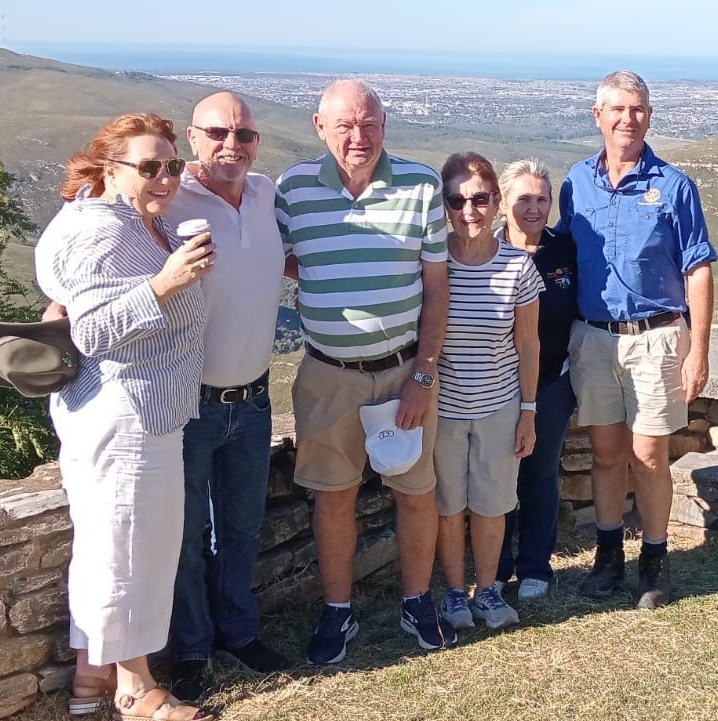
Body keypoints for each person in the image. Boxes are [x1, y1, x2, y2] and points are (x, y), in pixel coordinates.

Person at [35, 113, 214, 720]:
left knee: (106, 546)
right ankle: (136, 691)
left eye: (172, 166)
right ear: (110, 168)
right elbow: (90, 331)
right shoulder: (102, 231)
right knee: (135, 551)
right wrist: (164, 284)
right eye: (149, 167)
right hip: (127, 413)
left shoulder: (118, 218)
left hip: (130, 410)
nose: (165, 177)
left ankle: (90, 681)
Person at [276, 79, 455, 657]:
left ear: (385, 124)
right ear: (319, 126)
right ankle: (337, 613)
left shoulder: (421, 185)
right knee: (333, 496)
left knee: (416, 491)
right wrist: (326, 283)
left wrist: (424, 375)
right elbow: (274, 257)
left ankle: (416, 602)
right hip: (328, 375)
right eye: (346, 124)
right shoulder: (294, 189)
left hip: (405, 370)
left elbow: (436, 288)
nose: (359, 136)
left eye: (370, 123)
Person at [559, 70, 717, 610]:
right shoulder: (575, 183)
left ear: (649, 115)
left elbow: (699, 269)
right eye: (619, 110)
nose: (629, 119)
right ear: (598, 115)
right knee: (606, 455)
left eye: (639, 110)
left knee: (649, 455)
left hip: (657, 338)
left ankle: (654, 560)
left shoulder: (674, 186)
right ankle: (608, 557)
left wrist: (699, 349)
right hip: (594, 339)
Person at [162, 92, 289, 700]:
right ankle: (190, 648)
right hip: (189, 403)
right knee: (186, 537)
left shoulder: (265, 193)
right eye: (217, 133)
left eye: (243, 134)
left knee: (241, 527)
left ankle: (239, 633)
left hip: (256, 396)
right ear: (193, 137)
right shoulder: (167, 198)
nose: (230, 145)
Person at [431, 152, 543, 630]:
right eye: (456, 199)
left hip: (499, 406)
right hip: (443, 410)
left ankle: (488, 590)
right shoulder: (432, 263)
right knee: (449, 506)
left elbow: (529, 347)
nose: (468, 210)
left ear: (496, 202)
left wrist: (528, 412)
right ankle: (455, 594)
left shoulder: (519, 267)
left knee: (493, 504)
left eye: (479, 198)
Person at [494, 159, 577, 601]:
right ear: (503, 203)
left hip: (552, 384)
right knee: (498, 477)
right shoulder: (485, 252)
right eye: (523, 198)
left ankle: (534, 568)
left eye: (542, 199)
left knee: (540, 475)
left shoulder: (566, 251)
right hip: (495, 385)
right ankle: (495, 567)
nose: (534, 207)